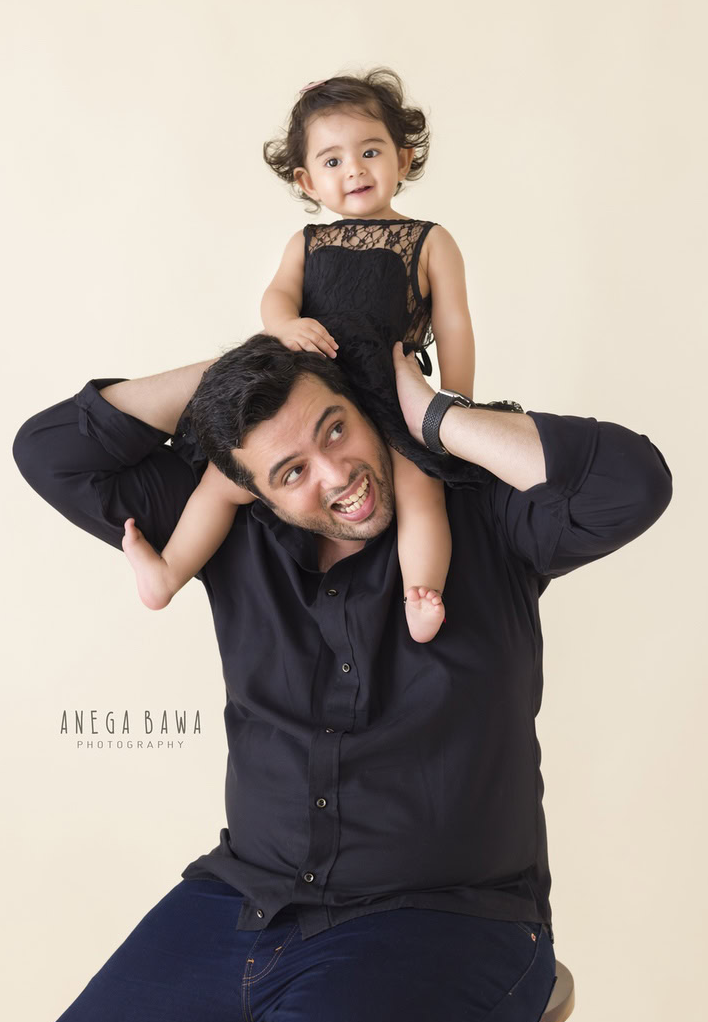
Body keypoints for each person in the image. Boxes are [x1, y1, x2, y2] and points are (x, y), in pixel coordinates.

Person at [12, 331, 672, 1022]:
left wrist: (432, 416)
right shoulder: (229, 526)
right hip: (242, 904)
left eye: (335, 427)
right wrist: (238, 373)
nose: (335, 473)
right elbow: (50, 449)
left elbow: (634, 483)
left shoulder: (484, 511)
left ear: (361, 404)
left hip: (444, 922)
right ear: (247, 487)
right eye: (290, 470)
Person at [120, 67, 523, 643]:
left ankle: (420, 592)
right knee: (223, 481)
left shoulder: (429, 240)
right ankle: (166, 573)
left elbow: (454, 324)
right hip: (309, 389)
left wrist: (452, 409)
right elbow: (275, 296)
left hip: (385, 396)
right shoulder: (306, 244)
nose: (354, 168)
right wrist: (286, 324)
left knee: (419, 489)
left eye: (370, 151)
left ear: (403, 160)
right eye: (332, 161)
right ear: (309, 182)